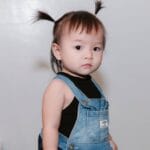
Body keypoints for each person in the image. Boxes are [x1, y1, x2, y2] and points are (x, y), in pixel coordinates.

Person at [35, 1, 118, 150]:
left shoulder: (95, 86)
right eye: (78, 47)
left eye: (96, 48)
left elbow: (99, 125)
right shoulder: (58, 87)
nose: (89, 55)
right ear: (58, 51)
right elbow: (50, 129)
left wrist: (109, 141)